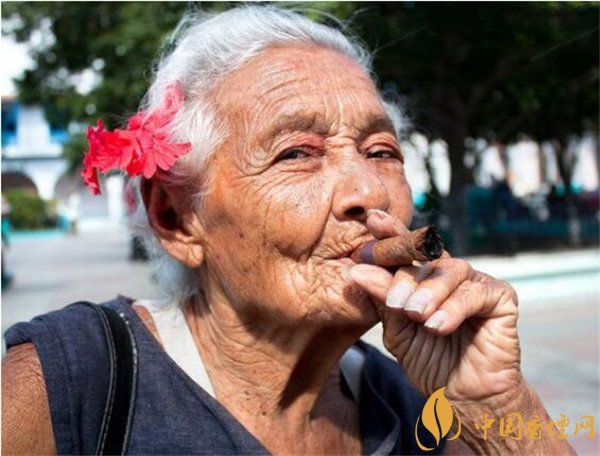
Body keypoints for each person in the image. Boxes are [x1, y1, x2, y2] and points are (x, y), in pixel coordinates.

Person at [2, 6, 574, 455]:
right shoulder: (67, 384)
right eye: (297, 153)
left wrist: (496, 407)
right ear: (177, 220)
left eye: (382, 151)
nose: (370, 192)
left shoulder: (414, 404)